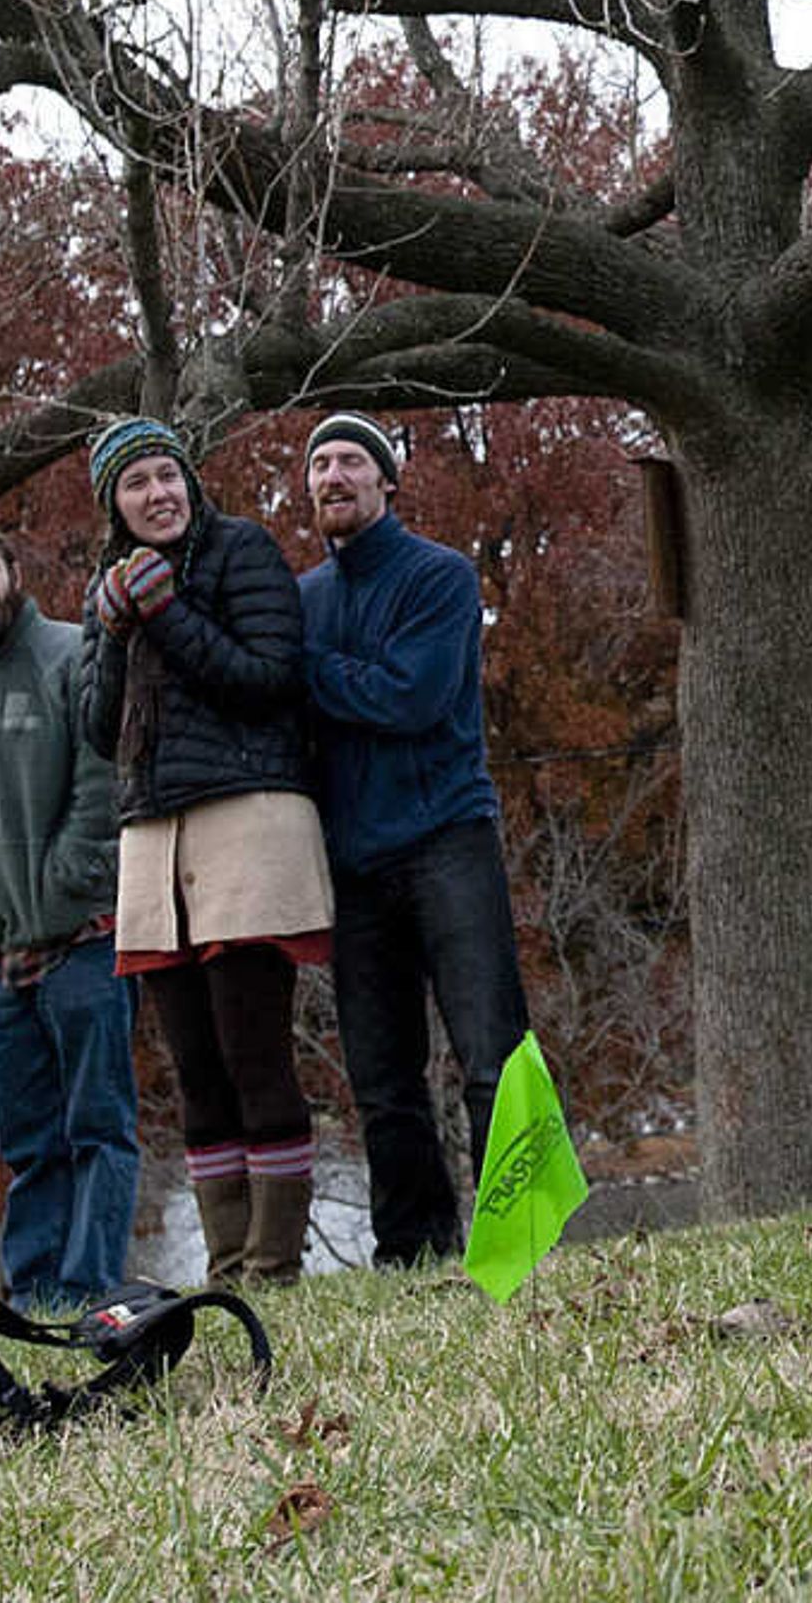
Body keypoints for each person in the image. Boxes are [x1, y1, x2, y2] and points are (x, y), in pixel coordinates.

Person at [79, 417, 334, 1283]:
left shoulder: (243, 552)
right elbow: (94, 725)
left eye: (167, 475)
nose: (159, 494)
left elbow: (267, 677)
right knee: (193, 1065)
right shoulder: (106, 590)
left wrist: (166, 613)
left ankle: (275, 1261)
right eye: (136, 482)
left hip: (248, 820)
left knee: (253, 1047)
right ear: (114, 502)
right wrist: (118, 629)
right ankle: (226, 1263)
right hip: (152, 832)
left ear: (190, 480)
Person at [297, 411, 538, 1270]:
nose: (333, 475)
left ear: (386, 480)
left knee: (491, 1051)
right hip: (353, 861)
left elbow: (413, 697)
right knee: (381, 1077)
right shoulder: (304, 597)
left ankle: (522, 1234)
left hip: (446, 837)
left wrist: (309, 673)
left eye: (351, 461)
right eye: (320, 463)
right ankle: (412, 1245)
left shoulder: (438, 576)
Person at [0, 521, 136, 1309]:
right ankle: (37, 1291)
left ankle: (91, 1285)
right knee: (30, 1142)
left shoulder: (72, 653)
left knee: (98, 1128)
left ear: (14, 572)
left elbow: (102, 778)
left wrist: (69, 881)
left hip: (81, 940)